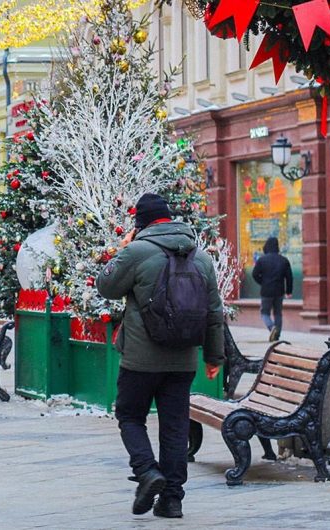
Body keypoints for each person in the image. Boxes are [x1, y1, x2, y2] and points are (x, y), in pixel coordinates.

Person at [95, 193, 224, 519]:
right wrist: (214, 356)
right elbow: (214, 312)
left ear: (141, 223)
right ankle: (172, 500)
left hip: (140, 358)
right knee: (175, 427)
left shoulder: (137, 251)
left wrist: (122, 249)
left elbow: (105, 286)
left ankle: (147, 470)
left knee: (129, 415)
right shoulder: (201, 257)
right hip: (182, 360)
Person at [252, 236, 293, 341]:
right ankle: (277, 334)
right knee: (278, 313)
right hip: (279, 291)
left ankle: (271, 328)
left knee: (264, 312)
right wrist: (289, 291)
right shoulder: (284, 260)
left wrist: (263, 282)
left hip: (266, 291)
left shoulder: (262, 260)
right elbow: (289, 277)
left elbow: (255, 274)